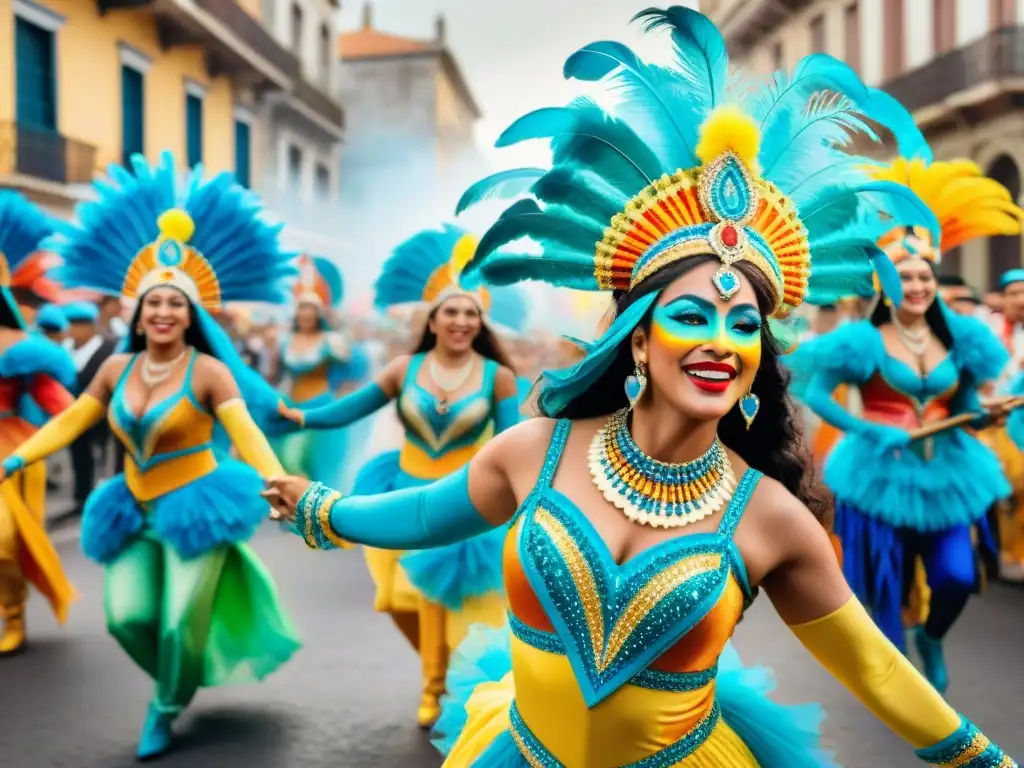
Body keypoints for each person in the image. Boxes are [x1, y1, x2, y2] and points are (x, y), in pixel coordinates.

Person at [265, 8, 1015, 767]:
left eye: (744, 325)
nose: (721, 341)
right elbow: (427, 511)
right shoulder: (534, 452)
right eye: (692, 315)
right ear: (639, 338)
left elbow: (874, 664)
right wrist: (325, 510)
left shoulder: (772, 518)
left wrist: (984, 758)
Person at [0, 152, 300, 760]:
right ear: (136, 311)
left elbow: (244, 434)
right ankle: (180, 674)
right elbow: (72, 421)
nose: (163, 312)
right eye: (154, 303)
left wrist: (278, 478)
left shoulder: (211, 372)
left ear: (191, 315)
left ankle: (165, 707)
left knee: (174, 624)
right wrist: (14, 460)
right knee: (127, 619)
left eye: (176, 304)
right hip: (131, 509)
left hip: (197, 508)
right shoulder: (114, 367)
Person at [271, 224, 521, 728]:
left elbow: (508, 443)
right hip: (400, 490)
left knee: (455, 608)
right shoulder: (404, 368)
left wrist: (518, 498)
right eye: (451, 311)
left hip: (463, 500)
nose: (460, 320)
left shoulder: (500, 378)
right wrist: (303, 417)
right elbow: (352, 407)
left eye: (470, 312)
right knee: (399, 600)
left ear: (481, 321)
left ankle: (438, 687)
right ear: (433, 319)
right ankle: (438, 674)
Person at [798, 155, 1024, 694]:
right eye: (906, 276)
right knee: (886, 581)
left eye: (924, 275)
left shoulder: (962, 340)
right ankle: (897, 680)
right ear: (887, 283)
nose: (917, 284)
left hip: (948, 472)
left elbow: (966, 399)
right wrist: (869, 429)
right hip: (879, 471)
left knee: (956, 577)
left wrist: (981, 413)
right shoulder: (862, 341)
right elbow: (815, 394)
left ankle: (935, 637)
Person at [0, 192, 78, 656]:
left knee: (3, 540)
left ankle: (13, 613)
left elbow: (61, 403)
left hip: (10, 449)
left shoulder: (19, 349)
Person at [273, 254, 368, 493]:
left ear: (318, 314)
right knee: (286, 458)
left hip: (321, 408)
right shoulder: (287, 341)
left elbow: (355, 368)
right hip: (292, 407)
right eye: (302, 309)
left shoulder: (331, 340)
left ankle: (314, 506)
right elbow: (275, 375)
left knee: (310, 461)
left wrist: (344, 396)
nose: (306, 315)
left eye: (310, 310)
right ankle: (299, 503)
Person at [62, 300, 121, 512]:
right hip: (73, 412)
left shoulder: (109, 348)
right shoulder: (64, 350)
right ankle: (82, 496)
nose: (75, 330)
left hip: (103, 413)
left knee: (105, 455)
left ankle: (103, 495)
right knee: (79, 454)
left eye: (81, 324)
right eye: (71, 324)